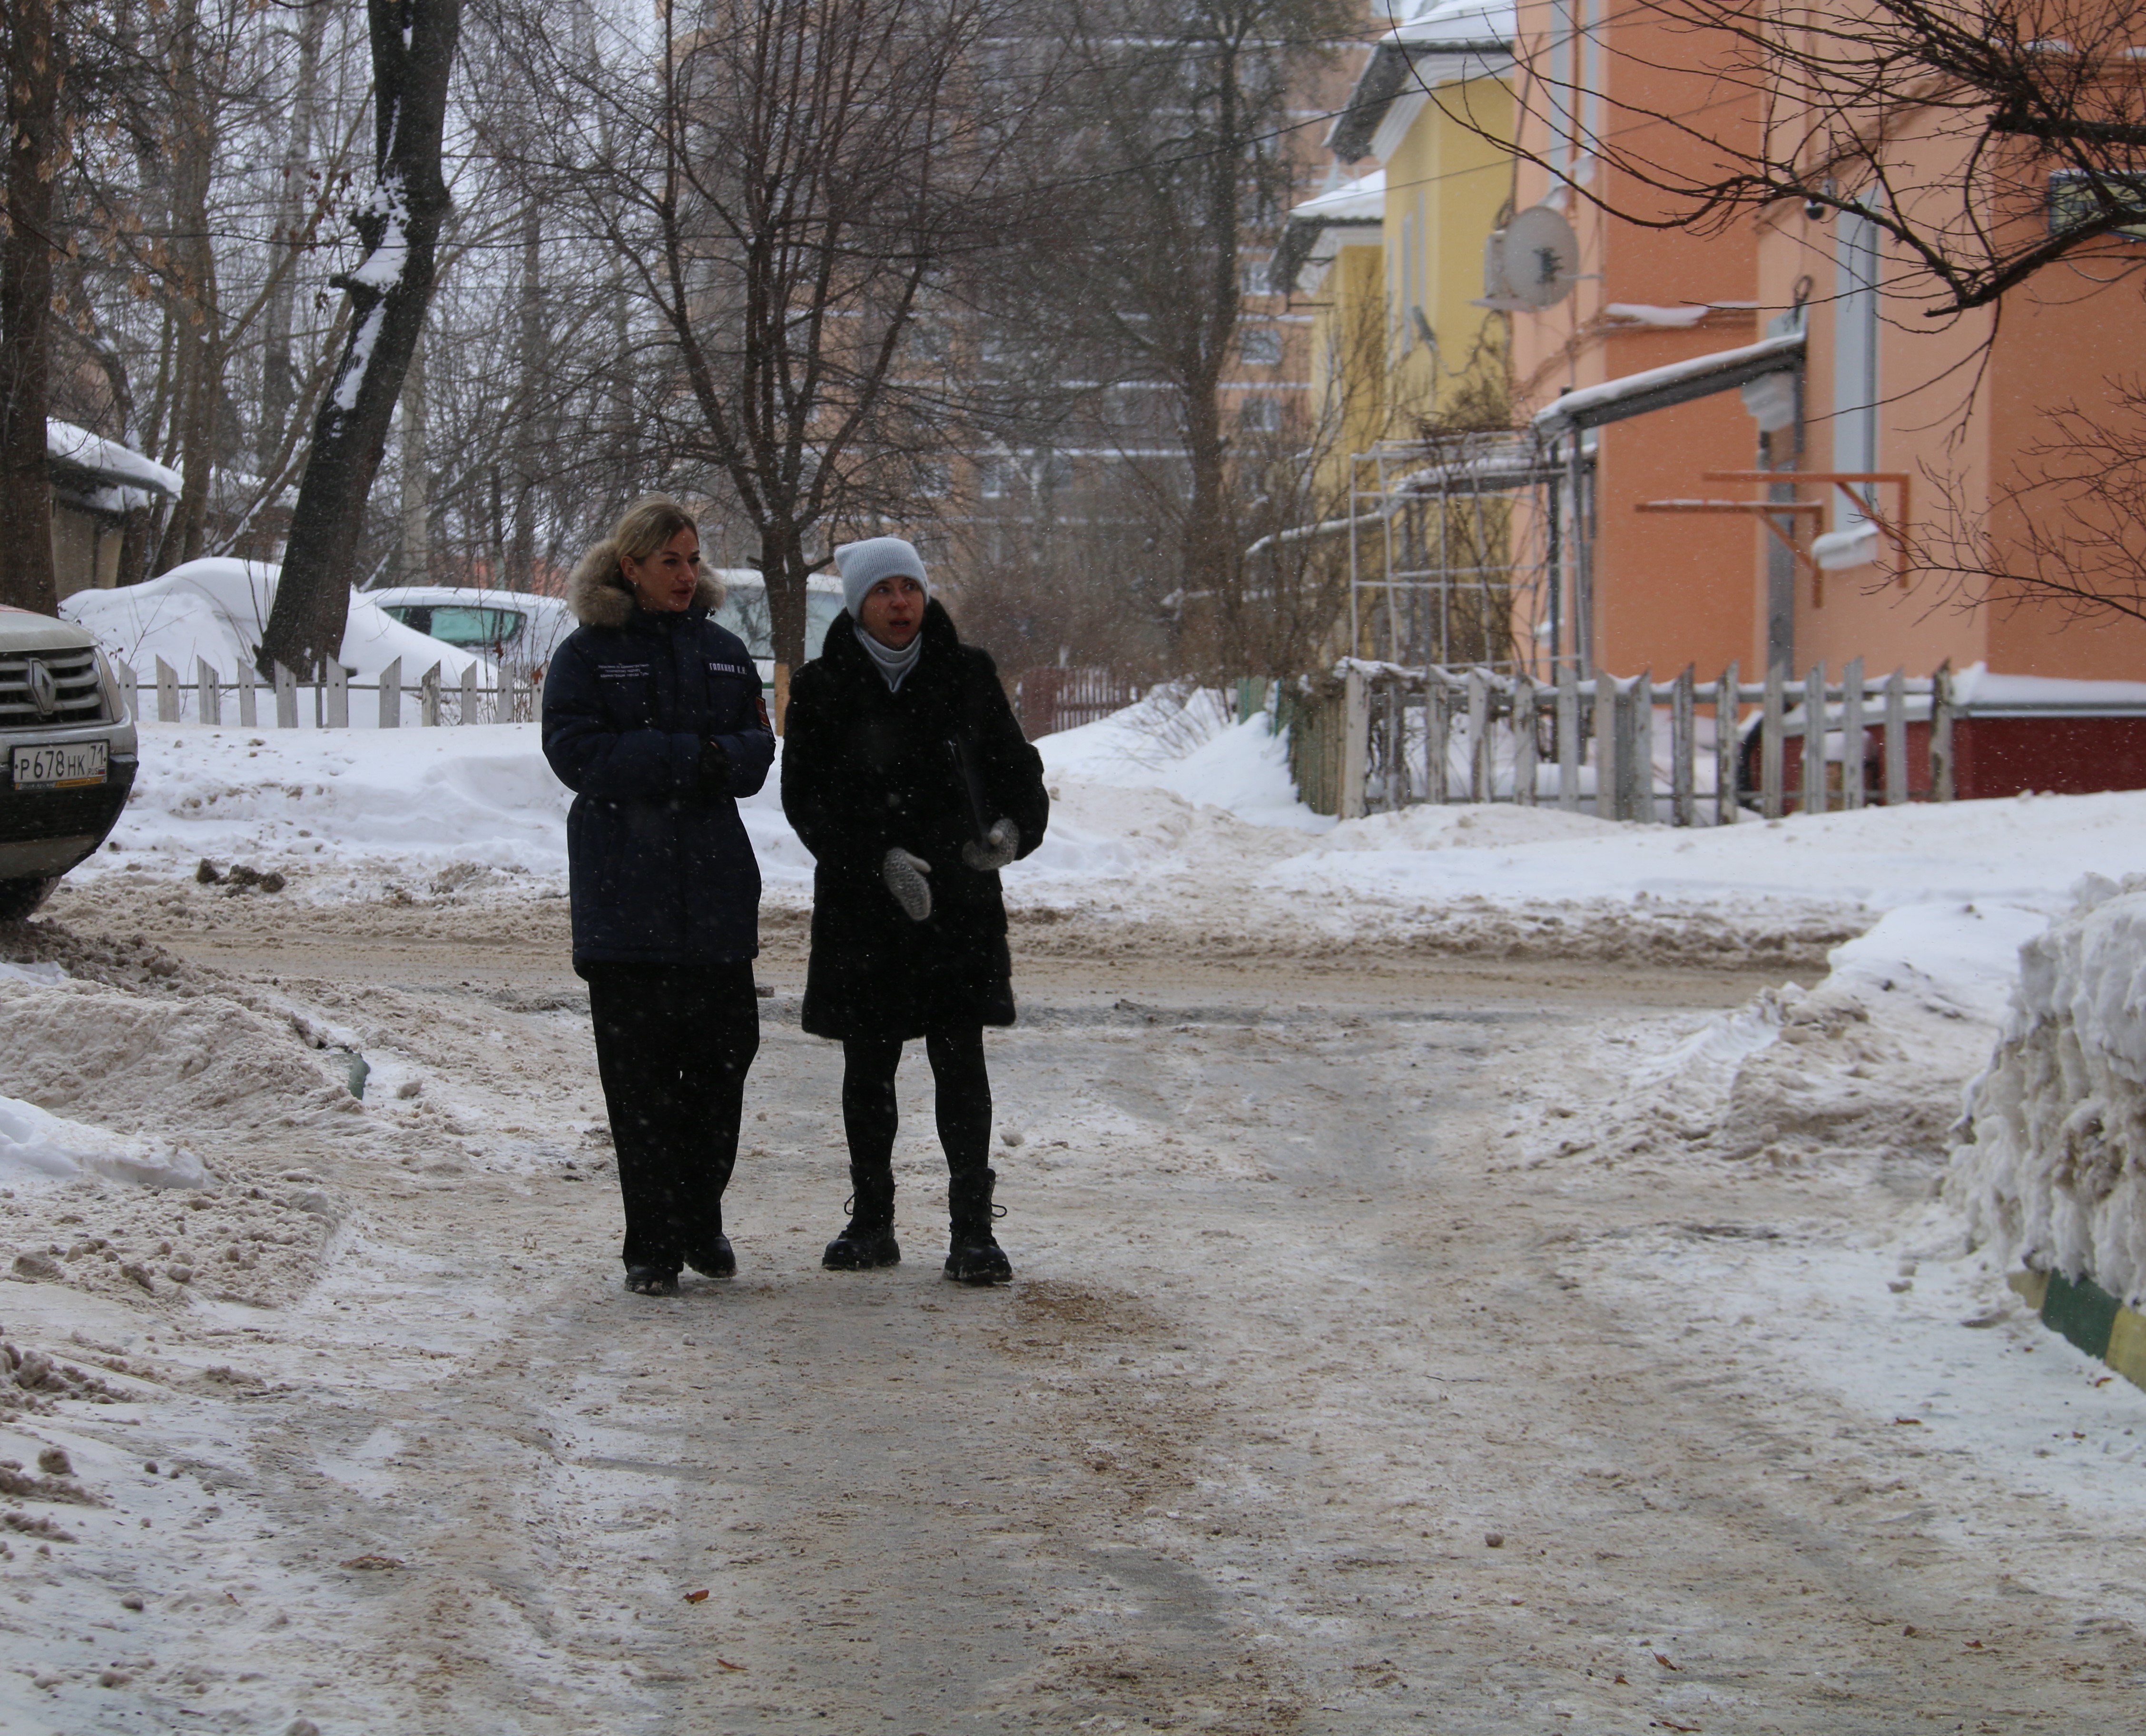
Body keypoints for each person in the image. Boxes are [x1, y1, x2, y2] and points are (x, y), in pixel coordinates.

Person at [781, 536, 1049, 1284]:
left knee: (958, 1062)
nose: (901, 603)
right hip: (863, 910)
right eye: (883, 591)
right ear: (857, 603)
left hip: (957, 903)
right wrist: (875, 860)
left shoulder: (968, 676)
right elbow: (806, 800)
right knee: (869, 1064)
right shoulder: (822, 686)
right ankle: (871, 1222)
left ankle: (972, 1232)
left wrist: (1009, 833)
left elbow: (1016, 775)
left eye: (910, 587)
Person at [542, 496, 775, 1297]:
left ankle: (700, 1213)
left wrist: (703, 758)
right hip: (623, 901)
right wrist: (692, 759)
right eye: (668, 561)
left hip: (714, 901)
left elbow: (754, 753)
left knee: (723, 1065)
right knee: (639, 1084)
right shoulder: (587, 655)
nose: (685, 574)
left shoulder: (721, 651)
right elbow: (579, 755)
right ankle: (651, 1245)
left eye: (692, 558)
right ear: (629, 567)